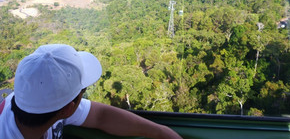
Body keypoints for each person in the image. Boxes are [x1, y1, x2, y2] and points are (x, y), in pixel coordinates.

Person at [0, 44, 183, 139]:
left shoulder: (34, 101)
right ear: (68, 109)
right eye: (83, 91)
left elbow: (102, 116)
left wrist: (162, 132)